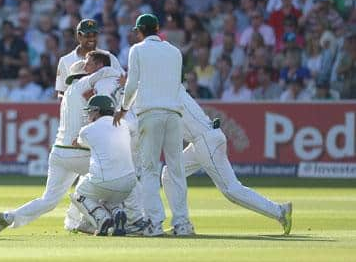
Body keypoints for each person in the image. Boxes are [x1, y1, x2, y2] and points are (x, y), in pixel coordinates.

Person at [0, 59, 146, 236]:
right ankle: (133, 219)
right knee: (117, 174)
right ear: (84, 75)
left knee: (49, 200)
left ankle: (10, 217)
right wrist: (119, 74)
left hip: (59, 153)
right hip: (78, 151)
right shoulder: (82, 85)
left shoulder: (69, 94)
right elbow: (101, 74)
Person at [162, 86, 293, 235]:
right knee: (169, 175)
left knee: (232, 190)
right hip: (201, 141)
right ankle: (182, 224)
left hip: (206, 141)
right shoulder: (167, 87)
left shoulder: (168, 89)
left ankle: (280, 211)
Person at [116, 13, 191, 236]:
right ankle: (182, 223)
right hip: (174, 114)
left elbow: (131, 84)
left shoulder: (137, 50)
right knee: (176, 170)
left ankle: (154, 223)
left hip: (150, 113)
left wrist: (123, 108)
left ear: (140, 31)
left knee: (149, 170)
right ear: (157, 29)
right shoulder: (175, 51)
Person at [70, 95, 139, 236]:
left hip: (104, 181)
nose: (88, 114)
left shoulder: (87, 130)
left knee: (78, 193)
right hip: (129, 183)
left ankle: (102, 219)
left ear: (97, 111)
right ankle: (117, 212)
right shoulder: (124, 124)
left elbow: (79, 142)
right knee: (109, 197)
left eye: (90, 111)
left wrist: (77, 142)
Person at [55, 19, 122, 97]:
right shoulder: (65, 60)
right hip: (76, 107)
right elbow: (61, 92)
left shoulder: (109, 57)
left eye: (95, 35)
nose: (92, 38)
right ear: (79, 36)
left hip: (103, 107)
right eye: (87, 35)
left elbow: (121, 81)